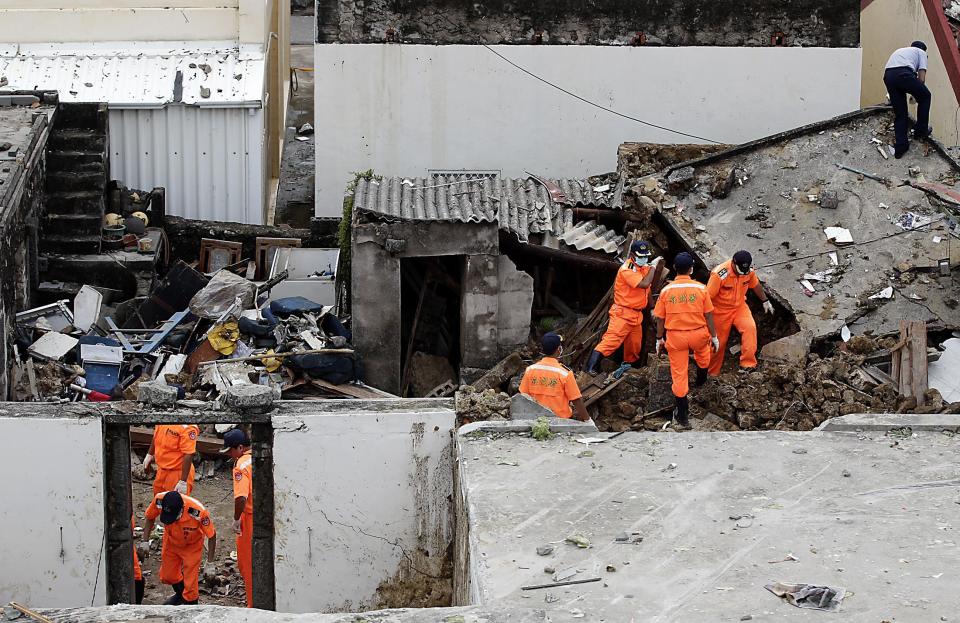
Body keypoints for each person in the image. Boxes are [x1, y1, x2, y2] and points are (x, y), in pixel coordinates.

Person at [652, 252, 719, 429]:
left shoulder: (666, 291)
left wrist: (659, 338)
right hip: (698, 334)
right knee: (703, 356)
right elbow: (709, 315)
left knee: (679, 373)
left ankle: (682, 415)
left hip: (676, 337)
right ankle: (701, 382)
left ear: (674, 268)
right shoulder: (701, 289)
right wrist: (714, 336)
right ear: (691, 269)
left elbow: (660, 318)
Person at [585, 240, 663, 377]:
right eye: (641, 256)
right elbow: (645, 284)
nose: (644, 259)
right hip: (622, 313)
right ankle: (590, 368)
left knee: (634, 346)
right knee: (610, 341)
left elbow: (647, 291)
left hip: (636, 315)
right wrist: (653, 267)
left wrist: (651, 307)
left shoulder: (643, 268)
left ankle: (628, 370)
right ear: (632, 255)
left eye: (646, 256)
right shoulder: (627, 269)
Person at [142, 490, 217, 605]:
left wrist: (210, 563)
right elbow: (150, 516)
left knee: (191, 585)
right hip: (171, 542)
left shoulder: (198, 512)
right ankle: (180, 595)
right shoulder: (159, 500)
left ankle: (190, 605)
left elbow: (211, 535)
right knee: (168, 576)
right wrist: (145, 541)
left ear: (182, 509)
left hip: (192, 546)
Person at [706, 250, 774, 376]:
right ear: (733, 263)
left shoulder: (748, 270)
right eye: (739, 270)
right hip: (719, 311)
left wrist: (765, 300)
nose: (742, 273)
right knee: (717, 343)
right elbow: (707, 298)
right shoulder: (719, 274)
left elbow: (756, 284)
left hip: (739, 307)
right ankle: (711, 373)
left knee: (750, 328)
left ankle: (748, 364)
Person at [519, 332, 590, 421]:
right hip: (560, 422)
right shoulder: (565, 374)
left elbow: (523, 396)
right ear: (559, 350)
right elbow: (576, 400)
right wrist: (587, 420)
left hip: (536, 421)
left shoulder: (530, 370)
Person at [222, 428, 254, 608]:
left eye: (230, 450)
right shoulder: (261, 457)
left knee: (247, 564)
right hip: (266, 513)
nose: (230, 454)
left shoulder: (241, 466)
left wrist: (236, 518)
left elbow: (241, 497)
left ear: (240, 447)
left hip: (250, 518)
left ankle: (253, 605)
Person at [884, 41, 932, 158]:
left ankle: (901, 147)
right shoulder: (921, 53)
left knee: (901, 113)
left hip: (888, 76)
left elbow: (896, 72)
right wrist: (916, 95)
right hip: (903, 74)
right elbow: (921, 78)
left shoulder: (902, 51)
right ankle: (920, 131)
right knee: (926, 96)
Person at [142, 424, 200, 496]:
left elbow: (188, 453)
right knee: (158, 501)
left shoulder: (187, 427)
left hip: (177, 473)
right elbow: (156, 435)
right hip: (161, 470)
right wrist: (149, 454)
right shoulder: (164, 417)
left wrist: (183, 481)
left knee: (174, 505)